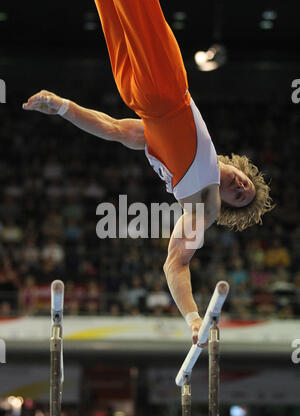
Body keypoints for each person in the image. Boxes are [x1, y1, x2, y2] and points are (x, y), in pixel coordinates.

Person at [23, 0, 274, 344]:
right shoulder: (185, 157)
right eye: (246, 184)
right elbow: (111, 127)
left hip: (149, 91)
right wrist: (65, 107)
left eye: (239, 196)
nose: (241, 187)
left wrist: (194, 318)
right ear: (240, 165)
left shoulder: (206, 204)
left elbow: (176, 263)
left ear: (224, 203)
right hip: (159, 90)